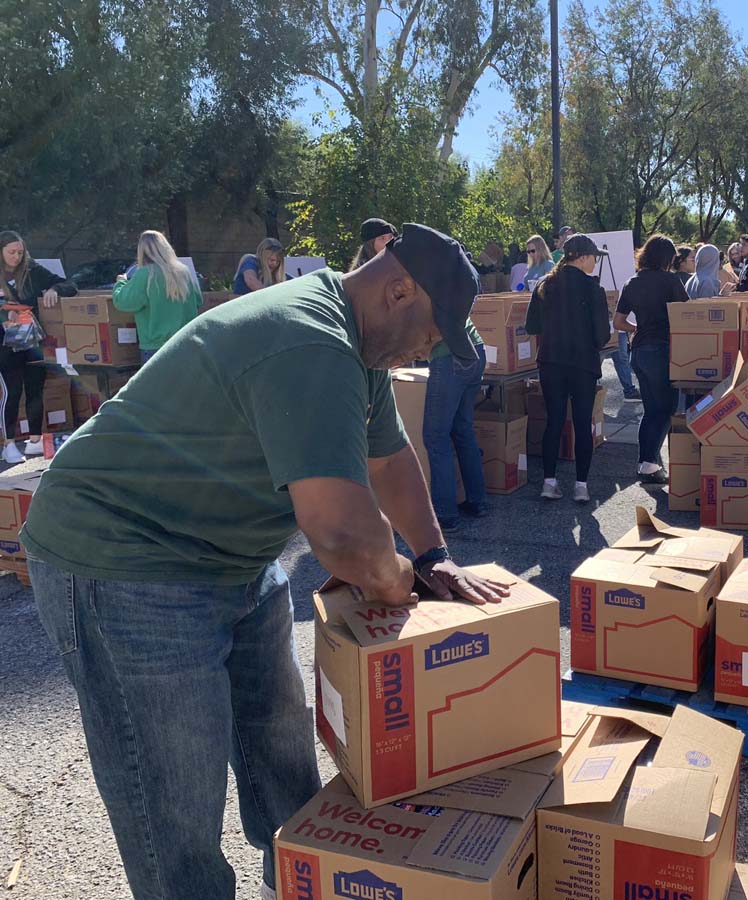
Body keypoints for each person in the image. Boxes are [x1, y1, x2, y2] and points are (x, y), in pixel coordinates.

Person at [22, 223, 508, 900]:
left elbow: (392, 462)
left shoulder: (357, 347)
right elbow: (338, 531)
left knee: (282, 764)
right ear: (399, 290)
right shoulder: (309, 339)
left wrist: (434, 555)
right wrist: (399, 580)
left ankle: (303, 884)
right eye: (434, 330)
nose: (431, 347)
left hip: (233, 559)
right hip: (127, 561)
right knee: (175, 806)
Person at [349, 230, 488, 535]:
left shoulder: (431, 281)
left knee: (436, 437)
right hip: (473, 354)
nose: (423, 351)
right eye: (426, 338)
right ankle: (477, 500)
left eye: (429, 340)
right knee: (462, 429)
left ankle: (446, 514)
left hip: (453, 359)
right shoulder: (432, 278)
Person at [524, 234, 611, 502]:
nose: (596, 262)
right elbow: (602, 336)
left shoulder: (544, 284)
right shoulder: (593, 289)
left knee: (555, 421)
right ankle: (581, 486)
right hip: (583, 363)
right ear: (583, 257)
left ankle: (549, 482)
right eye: (594, 257)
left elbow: (531, 327)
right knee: (583, 423)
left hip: (551, 360)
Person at [614, 234, 688, 484]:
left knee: (651, 410)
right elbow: (688, 314)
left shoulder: (631, 282)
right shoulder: (670, 280)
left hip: (640, 351)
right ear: (667, 259)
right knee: (666, 409)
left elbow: (618, 322)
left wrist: (638, 329)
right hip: (663, 350)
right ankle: (648, 464)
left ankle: (647, 462)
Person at [0, 231, 78, 463]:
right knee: (12, 392)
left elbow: (69, 284)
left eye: (20, 252)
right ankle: (9, 443)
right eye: (11, 252)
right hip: (5, 344)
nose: (16, 257)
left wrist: (55, 290)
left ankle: (35, 440)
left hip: (32, 340)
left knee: (35, 389)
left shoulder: (32, 270)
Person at [111, 230, 202, 364]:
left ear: (142, 251)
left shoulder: (145, 274)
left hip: (156, 347)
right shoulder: (184, 272)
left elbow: (123, 302)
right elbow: (198, 301)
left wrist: (121, 282)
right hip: (186, 343)